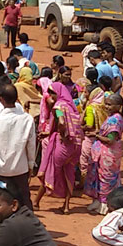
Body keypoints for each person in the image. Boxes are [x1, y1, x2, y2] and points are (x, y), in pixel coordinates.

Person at [34, 81, 83, 214]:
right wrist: (48, 133)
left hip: (62, 145)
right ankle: (66, 206)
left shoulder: (58, 107)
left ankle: (36, 202)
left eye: (52, 93)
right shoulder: (71, 106)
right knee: (68, 173)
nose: (50, 95)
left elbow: (61, 122)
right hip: (75, 146)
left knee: (49, 172)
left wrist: (61, 134)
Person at [0, 84, 36, 211]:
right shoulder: (27, 119)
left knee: (1, 199)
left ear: (1, 99)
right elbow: (31, 145)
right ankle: (29, 224)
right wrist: (31, 164)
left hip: (0, 169)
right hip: (20, 167)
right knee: (24, 198)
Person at [85, 93, 123, 215]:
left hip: (109, 154)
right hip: (102, 153)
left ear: (118, 106)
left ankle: (105, 204)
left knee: (106, 178)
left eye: (109, 104)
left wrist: (95, 135)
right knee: (98, 176)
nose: (106, 107)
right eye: (106, 104)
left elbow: (110, 139)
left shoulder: (116, 120)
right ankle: (97, 201)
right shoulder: (112, 117)